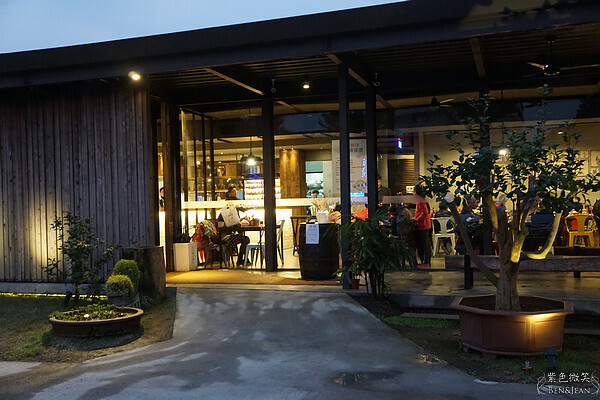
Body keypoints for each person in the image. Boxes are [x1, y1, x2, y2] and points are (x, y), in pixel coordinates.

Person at [217, 186, 250, 267]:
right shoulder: (232, 203)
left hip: (229, 234)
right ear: (229, 193)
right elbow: (243, 209)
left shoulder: (229, 204)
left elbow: (243, 209)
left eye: (236, 191)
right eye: (234, 192)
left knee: (244, 238)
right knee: (245, 239)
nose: (235, 193)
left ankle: (243, 259)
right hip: (228, 237)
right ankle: (241, 260)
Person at [413, 185, 432, 269]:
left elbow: (424, 212)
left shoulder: (420, 201)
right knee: (425, 244)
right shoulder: (422, 200)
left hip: (422, 225)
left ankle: (426, 262)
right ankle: (426, 262)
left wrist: (416, 219)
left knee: (424, 244)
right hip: (425, 225)